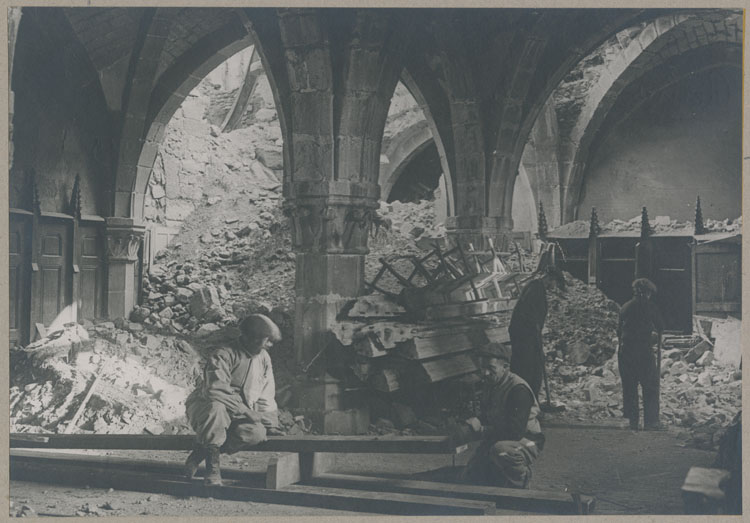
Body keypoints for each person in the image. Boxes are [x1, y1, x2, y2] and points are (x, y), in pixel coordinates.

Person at [184, 314, 282, 486]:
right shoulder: (223, 355)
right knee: (217, 409)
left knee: (256, 433)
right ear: (249, 337)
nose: (269, 345)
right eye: (266, 340)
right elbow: (215, 390)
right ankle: (212, 471)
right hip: (205, 406)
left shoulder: (264, 358)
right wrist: (246, 411)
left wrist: (270, 423)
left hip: (237, 412)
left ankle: (200, 452)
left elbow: (266, 391)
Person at [460, 342, 545, 489]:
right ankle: (500, 476)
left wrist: (482, 430)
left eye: (491, 368)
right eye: (482, 368)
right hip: (503, 436)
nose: (485, 373)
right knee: (471, 475)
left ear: (505, 367)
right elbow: (490, 413)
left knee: (501, 451)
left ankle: (522, 480)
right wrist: (473, 422)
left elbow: (515, 431)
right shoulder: (491, 384)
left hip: (527, 439)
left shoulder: (518, 389)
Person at [509, 266, 562, 399]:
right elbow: (527, 314)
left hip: (528, 335)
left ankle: (531, 401)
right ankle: (524, 402)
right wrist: (535, 330)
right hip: (524, 336)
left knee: (534, 368)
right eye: (555, 283)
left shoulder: (538, 288)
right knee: (526, 369)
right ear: (551, 279)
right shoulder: (535, 288)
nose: (555, 287)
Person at [617, 278, 664, 431]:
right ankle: (651, 422)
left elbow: (618, 330)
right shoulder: (650, 306)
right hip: (644, 352)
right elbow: (661, 326)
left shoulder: (625, 307)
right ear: (647, 293)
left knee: (629, 387)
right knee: (650, 386)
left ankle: (632, 421)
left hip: (627, 352)